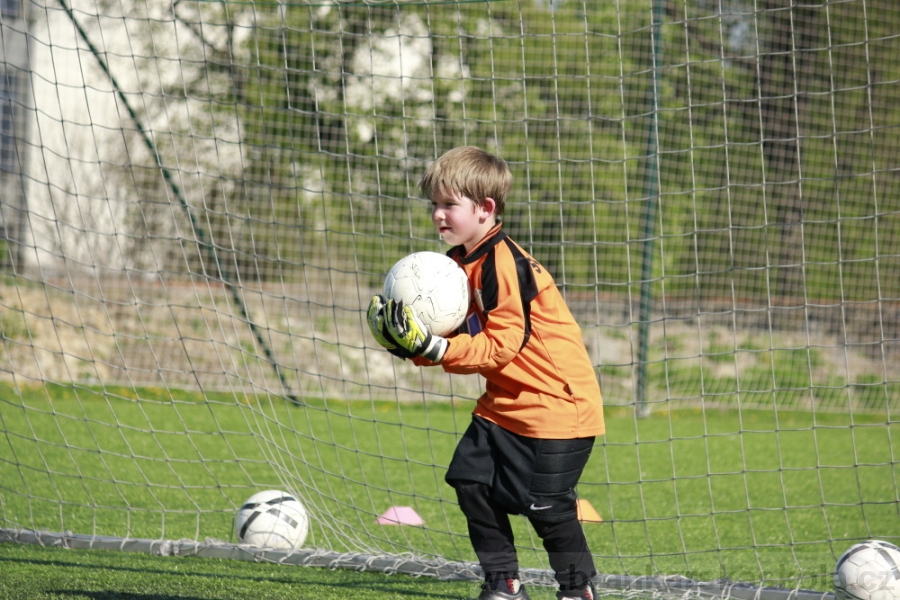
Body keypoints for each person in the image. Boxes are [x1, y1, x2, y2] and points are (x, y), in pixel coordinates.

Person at [367, 146, 605, 600]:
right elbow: (457, 343)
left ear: (486, 209)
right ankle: (504, 583)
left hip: (558, 409)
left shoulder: (503, 263)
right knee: (471, 482)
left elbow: (499, 347)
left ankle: (578, 590)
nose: (438, 214)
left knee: (547, 508)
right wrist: (408, 346)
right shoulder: (453, 267)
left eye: (448, 204)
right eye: (433, 204)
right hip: (504, 406)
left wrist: (433, 347)